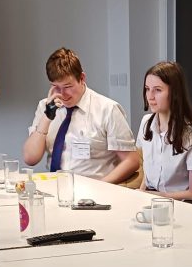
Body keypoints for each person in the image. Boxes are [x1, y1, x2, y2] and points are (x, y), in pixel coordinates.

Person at [23, 47, 139, 184]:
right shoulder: (45, 106)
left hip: (93, 190)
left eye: (67, 86)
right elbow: (30, 158)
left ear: (82, 78)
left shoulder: (107, 109)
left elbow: (131, 161)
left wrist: (101, 185)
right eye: (56, 87)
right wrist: (47, 117)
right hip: (55, 187)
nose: (62, 94)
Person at [137, 61, 192, 200]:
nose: (150, 96)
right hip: (150, 199)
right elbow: (147, 172)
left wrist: (158, 197)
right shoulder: (146, 123)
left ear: (174, 93)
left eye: (157, 90)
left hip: (179, 204)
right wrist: (140, 194)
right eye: (147, 89)